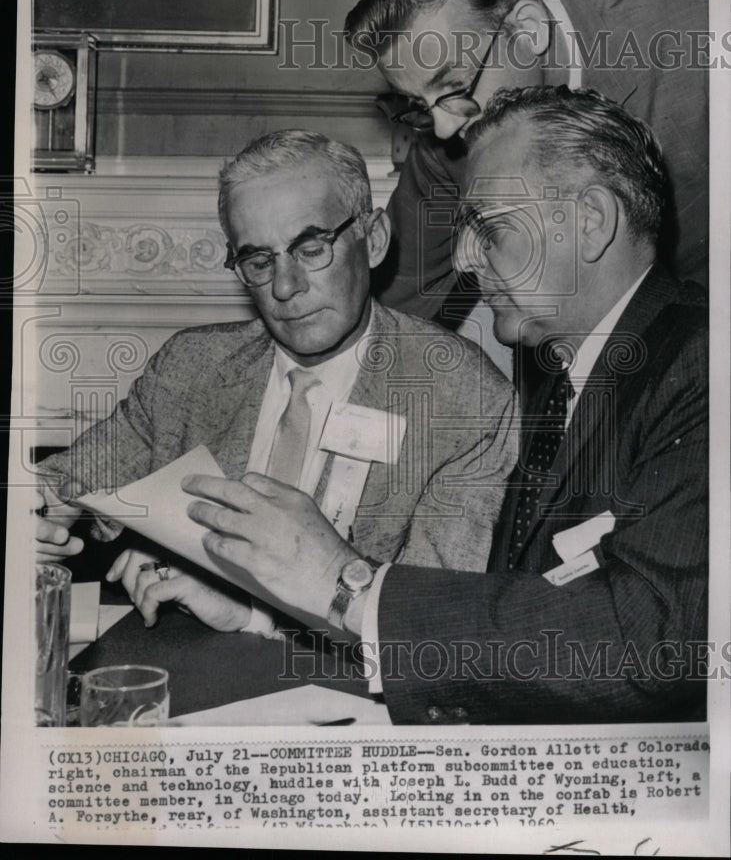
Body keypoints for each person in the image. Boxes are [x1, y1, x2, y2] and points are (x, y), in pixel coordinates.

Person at [181, 89, 708, 723]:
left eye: (489, 227)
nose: (463, 258)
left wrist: (347, 585)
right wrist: (262, 613)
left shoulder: (705, 365)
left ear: (590, 220)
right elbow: (513, 616)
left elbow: (645, 647)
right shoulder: (553, 366)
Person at [35, 129, 518, 632]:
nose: (285, 287)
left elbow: (432, 625)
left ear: (372, 240)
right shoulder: (192, 365)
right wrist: (39, 509)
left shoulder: (464, 398)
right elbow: (75, 474)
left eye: (311, 249)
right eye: (259, 261)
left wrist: (253, 614)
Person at [344, 0, 708, 330]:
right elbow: (391, 313)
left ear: (528, 29)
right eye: (419, 105)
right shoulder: (446, 140)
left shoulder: (698, 36)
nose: (444, 130)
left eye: (454, 85)